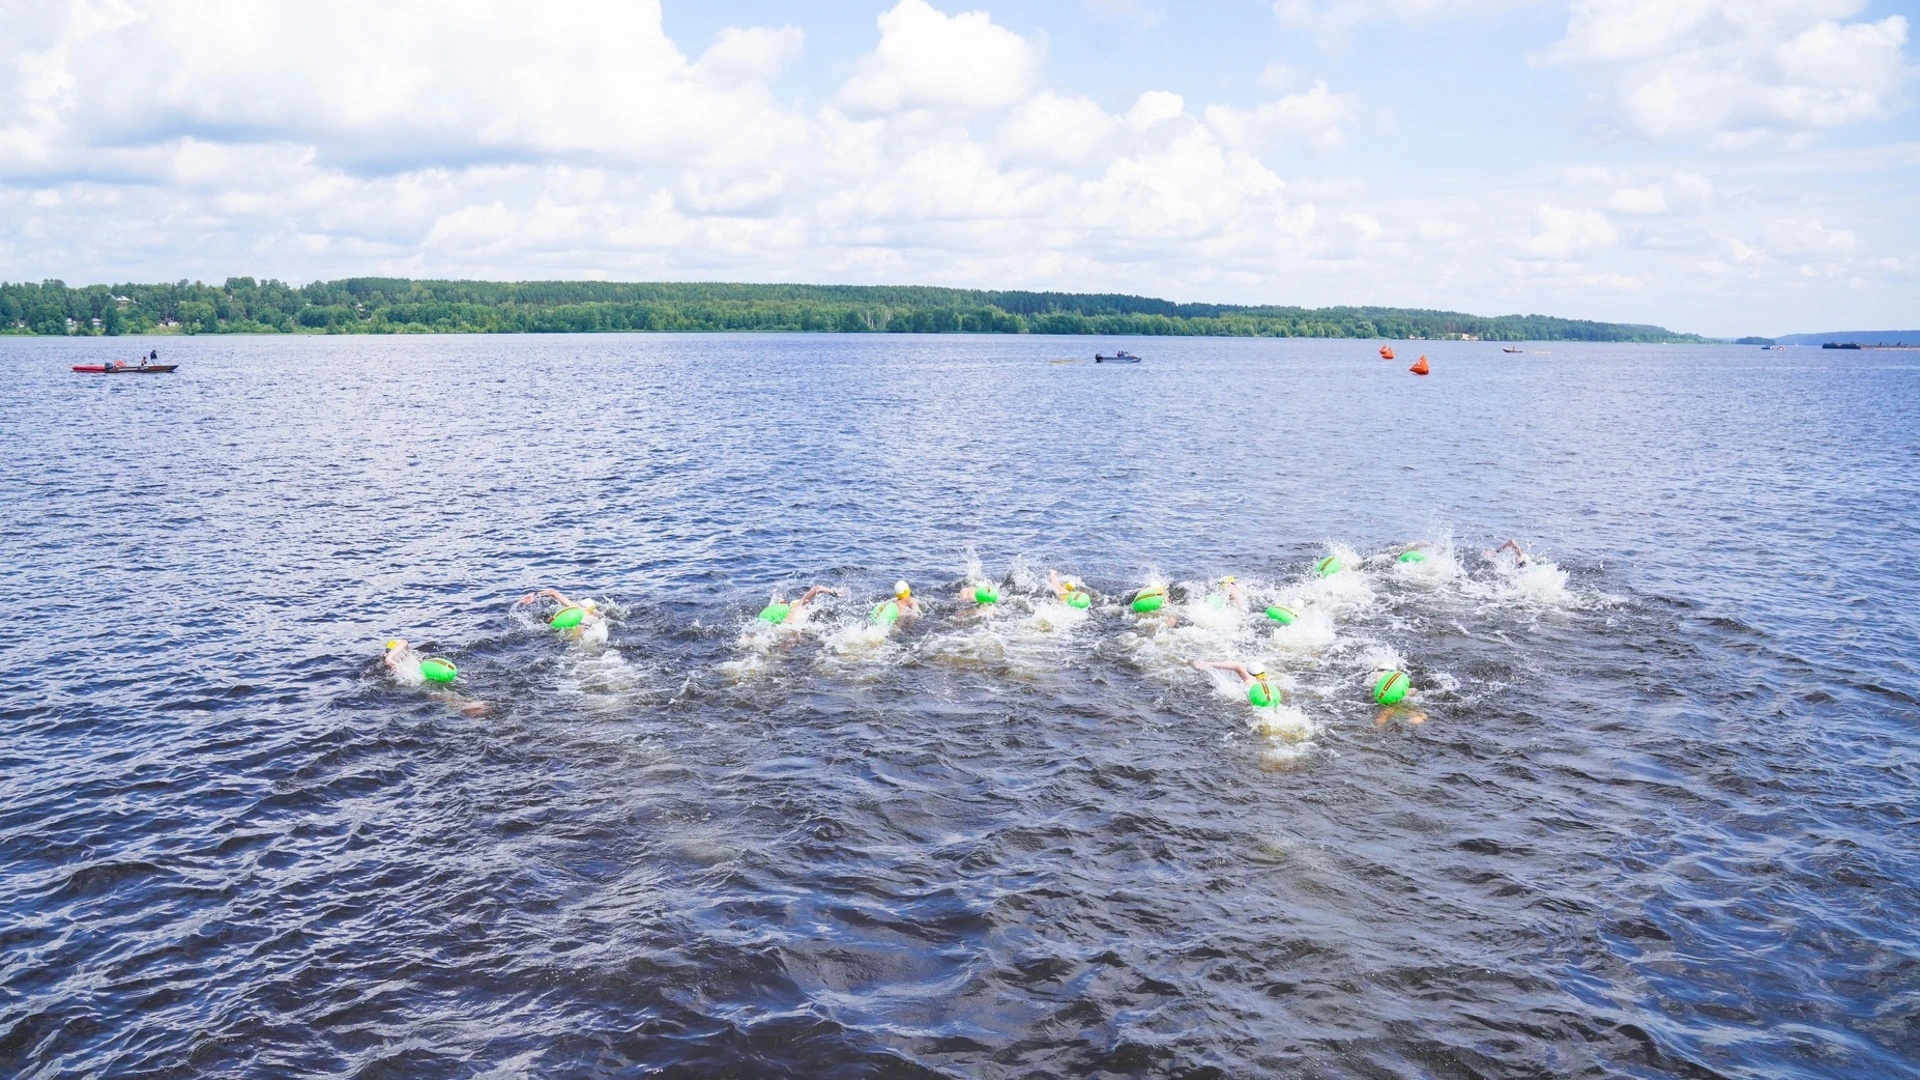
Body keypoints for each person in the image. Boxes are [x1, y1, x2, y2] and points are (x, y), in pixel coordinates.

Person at [384, 638, 487, 715]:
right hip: (424, 680)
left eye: (387, 652)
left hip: (424, 679)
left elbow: (404, 642)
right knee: (446, 697)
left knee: (445, 696)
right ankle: (474, 707)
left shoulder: (399, 657)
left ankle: (472, 708)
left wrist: (389, 658)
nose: (385, 655)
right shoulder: (396, 666)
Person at [516, 588, 606, 642]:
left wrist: (535, 595)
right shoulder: (597, 615)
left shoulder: (577, 608)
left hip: (575, 625)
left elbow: (552, 592)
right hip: (592, 628)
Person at [1191, 660, 1282, 708]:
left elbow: (1237, 666)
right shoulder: (1270, 681)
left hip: (1254, 700)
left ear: (1248, 672)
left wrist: (1206, 664)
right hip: (1271, 697)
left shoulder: (1249, 679)